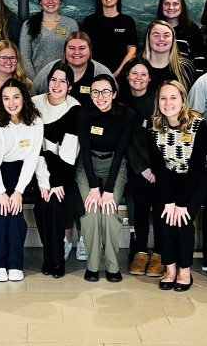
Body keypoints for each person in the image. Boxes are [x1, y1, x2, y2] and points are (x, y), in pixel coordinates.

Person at [146, 80, 207, 291]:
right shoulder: (153, 125)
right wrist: (170, 200)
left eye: (173, 97)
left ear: (183, 101)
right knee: (165, 219)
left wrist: (181, 203)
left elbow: (198, 166)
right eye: (163, 98)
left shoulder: (198, 123)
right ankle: (169, 269)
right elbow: (158, 167)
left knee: (182, 220)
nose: (168, 102)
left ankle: (185, 271)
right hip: (168, 177)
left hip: (195, 178)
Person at [0, 78, 43, 282]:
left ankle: (15, 263)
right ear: (1, 100)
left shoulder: (35, 121)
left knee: (16, 213)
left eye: (16, 97)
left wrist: (17, 192)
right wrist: (1, 192)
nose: (11, 103)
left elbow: (31, 159)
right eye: (6, 98)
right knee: (1, 212)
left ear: (24, 97)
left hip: (18, 172)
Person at [77, 75, 134, 282]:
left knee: (109, 212)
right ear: (90, 94)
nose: (100, 97)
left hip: (115, 166)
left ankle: (112, 264)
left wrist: (108, 190)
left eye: (105, 92)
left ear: (114, 94)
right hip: (87, 166)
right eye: (95, 92)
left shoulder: (127, 115)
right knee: (92, 212)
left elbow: (120, 153)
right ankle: (92, 266)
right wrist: (94, 187)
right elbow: (83, 150)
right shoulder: (84, 114)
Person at [32, 62, 81, 279]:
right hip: (36, 169)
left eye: (63, 81)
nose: (57, 84)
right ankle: (48, 257)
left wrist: (57, 183)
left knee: (57, 205)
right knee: (41, 207)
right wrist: (44, 182)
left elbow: (68, 154)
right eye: (53, 79)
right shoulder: (34, 104)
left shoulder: (74, 108)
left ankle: (57, 258)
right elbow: (33, 147)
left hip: (64, 173)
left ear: (70, 86)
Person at [123, 58, 164, 277]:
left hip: (160, 166)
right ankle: (140, 252)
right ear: (127, 76)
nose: (138, 78)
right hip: (137, 167)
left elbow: (164, 136)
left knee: (159, 209)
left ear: (149, 77)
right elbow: (125, 140)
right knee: (139, 208)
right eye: (134, 73)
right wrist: (142, 168)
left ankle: (158, 254)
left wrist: (156, 168)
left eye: (143, 74)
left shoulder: (158, 100)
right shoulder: (121, 101)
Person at [32, 32, 113, 109]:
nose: (77, 52)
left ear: (90, 50)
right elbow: (35, 92)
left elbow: (113, 101)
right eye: (71, 48)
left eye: (82, 48)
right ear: (65, 50)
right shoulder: (51, 68)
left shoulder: (101, 71)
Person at [20, 0, 80, 79]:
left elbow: (75, 56)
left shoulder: (70, 24)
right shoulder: (28, 25)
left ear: (60, 1)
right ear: (40, 1)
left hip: (64, 81)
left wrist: (67, 80)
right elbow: (24, 57)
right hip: (36, 81)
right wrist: (35, 82)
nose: (50, 1)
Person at [81, 0, 138, 75]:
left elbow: (132, 52)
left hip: (120, 76)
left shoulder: (127, 22)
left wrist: (116, 74)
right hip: (94, 75)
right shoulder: (90, 21)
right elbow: (83, 50)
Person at [157, 0, 205, 79]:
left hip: (185, 83)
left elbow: (199, 62)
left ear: (182, 5)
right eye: (167, 4)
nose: (171, 8)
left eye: (175, 4)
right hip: (158, 83)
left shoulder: (192, 29)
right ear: (161, 6)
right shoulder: (154, 29)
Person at [133, 20, 196, 91]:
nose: (161, 39)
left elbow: (193, 99)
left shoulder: (185, 67)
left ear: (173, 40)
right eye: (156, 35)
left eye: (166, 35)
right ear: (148, 39)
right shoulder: (133, 66)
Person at [0, 40, 33, 114]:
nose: (8, 62)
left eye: (12, 58)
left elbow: (31, 111)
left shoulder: (27, 84)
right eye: (3, 58)